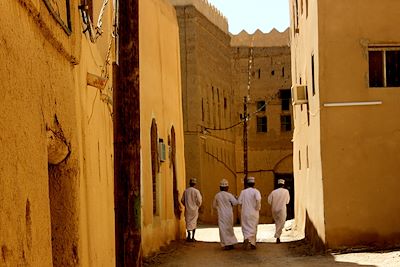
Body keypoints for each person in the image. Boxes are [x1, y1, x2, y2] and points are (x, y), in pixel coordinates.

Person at [212, 179, 238, 250]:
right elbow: (235, 203)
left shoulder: (217, 195)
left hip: (221, 215)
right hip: (229, 214)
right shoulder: (229, 195)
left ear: (220, 187)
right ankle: (231, 243)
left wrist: (219, 208)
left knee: (223, 229)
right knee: (229, 228)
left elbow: (214, 205)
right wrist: (235, 198)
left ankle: (226, 244)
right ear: (227, 187)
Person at [238, 176, 261, 249]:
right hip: (254, 213)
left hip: (245, 213)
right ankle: (253, 243)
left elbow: (239, 202)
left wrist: (240, 210)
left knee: (245, 227)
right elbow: (258, 200)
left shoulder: (243, 192)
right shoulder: (256, 191)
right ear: (254, 184)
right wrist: (257, 208)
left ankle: (246, 238)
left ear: (247, 184)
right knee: (254, 227)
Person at [268, 179, 290, 244]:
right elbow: (287, 201)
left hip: (274, 209)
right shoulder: (286, 191)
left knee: (277, 222)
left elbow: (269, 201)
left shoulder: (273, 192)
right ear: (283, 185)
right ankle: (277, 236)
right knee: (281, 223)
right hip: (282, 209)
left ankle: (278, 236)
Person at [181, 177, 202, 242]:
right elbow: (199, 201)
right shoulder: (196, 191)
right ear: (195, 184)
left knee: (188, 222)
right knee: (194, 222)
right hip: (194, 210)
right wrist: (197, 206)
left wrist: (186, 205)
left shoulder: (186, 191)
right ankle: (193, 237)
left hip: (188, 210)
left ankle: (189, 236)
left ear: (189, 183)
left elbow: (182, 200)